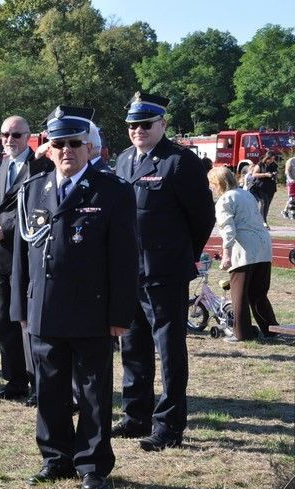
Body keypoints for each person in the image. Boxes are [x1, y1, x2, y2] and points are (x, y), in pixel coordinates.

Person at [12, 105, 138, 489]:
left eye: (74, 144)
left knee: (92, 392)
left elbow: (124, 259)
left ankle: (92, 464)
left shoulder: (112, 191)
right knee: (48, 389)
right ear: (48, 148)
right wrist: (21, 308)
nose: (66, 150)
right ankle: (55, 458)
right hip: (44, 309)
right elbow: (22, 255)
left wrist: (120, 314)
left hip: (91, 310)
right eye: (59, 144)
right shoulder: (33, 190)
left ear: (90, 148)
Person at [113, 91, 215, 451]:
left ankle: (169, 425)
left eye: (145, 124)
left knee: (169, 350)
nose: (138, 130)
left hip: (164, 271)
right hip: (129, 272)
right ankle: (135, 414)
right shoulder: (123, 161)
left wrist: (181, 256)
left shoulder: (179, 162)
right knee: (133, 346)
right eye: (132, 125)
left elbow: (202, 218)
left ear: (162, 125)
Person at [0, 115, 52, 403]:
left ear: (29, 137)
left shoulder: (42, 167)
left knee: (28, 323)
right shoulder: (2, 167)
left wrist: (3, 228)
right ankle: (14, 381)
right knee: (4, 321)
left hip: (26, 255)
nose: (9, 140)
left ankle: (38, 384)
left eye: (16, 135)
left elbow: (39, 211)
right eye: (5, 135)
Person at [207, 167, 279, 342]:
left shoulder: (224, 200)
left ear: (217, 183)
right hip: (263, 246)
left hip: (245, 249)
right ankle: (270, 329)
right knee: (259, 293)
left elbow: (228, 228)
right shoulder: (246, 194)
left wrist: (226, 254)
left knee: (239, 295)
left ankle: (242, 334)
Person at [247, 151, 278, 228]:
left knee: (267, 205)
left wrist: (275, 174)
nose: (271, 160)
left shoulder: (274, 165)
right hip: (261, 186)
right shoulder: (260, 164)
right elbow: (254, 174)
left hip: (271, 187)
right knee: (264, 203)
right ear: (266, 158)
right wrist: (265, 174)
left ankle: (262, 221)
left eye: (273, 159)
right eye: (270, 159)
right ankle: (263, 222)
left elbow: (277, 173)